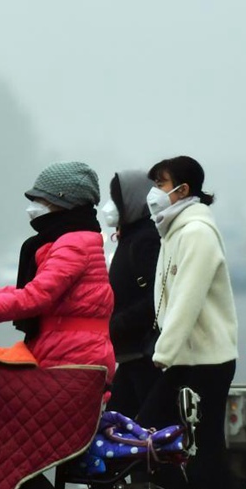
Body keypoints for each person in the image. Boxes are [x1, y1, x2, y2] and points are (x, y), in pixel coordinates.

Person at [0, 161, 114, 489]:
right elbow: (24, 293)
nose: (32, 207)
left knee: (17, 453)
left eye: (39, 199)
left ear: (62, 203)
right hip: (57, 357)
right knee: (8, 445)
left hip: (74, 366)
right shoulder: (64, 240)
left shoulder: (72, 243)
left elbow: (38, 295)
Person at [135, 155, 241, 489]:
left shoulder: (196, 231)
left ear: (184, 189)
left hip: (204, 360)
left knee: (197, 448)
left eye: (161, 183)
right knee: (185, 447)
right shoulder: (173, 230)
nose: (154, 192)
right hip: (185, 356)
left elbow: (187, 301)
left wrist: (162, 355)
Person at [100, 170, 161, 419]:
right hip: (129, 353)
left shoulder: (146, 240)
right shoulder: (130, 237)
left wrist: (118, 323)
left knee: (142, 426)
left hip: (144, 353)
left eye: (117, 199)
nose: (110, 207)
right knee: (119, 423)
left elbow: (155, 298)